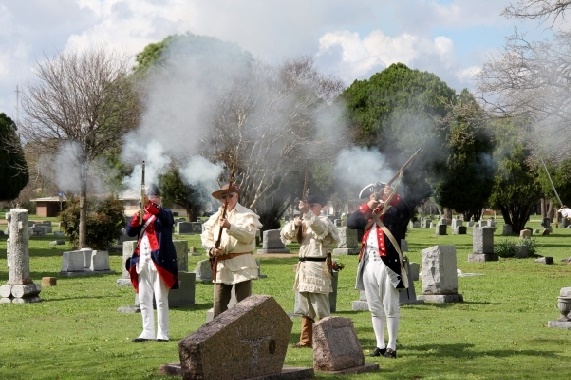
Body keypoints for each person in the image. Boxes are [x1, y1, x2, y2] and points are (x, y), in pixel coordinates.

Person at [347, 181, 411, 358]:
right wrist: (367, 206)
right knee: (375, 308)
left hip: (387, 264)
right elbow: (351, 222)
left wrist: (394, 198)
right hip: (369, 264)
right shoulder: (368, 215)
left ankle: (392, 346)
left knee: (391, 308)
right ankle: (380, 345)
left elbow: (407, 212)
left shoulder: (393, 213)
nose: (375, 198)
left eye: (377, 195)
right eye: (372, 196)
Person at [280, 194, 339, 348]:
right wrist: (295, 223)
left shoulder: (324, 222)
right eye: (309, 205)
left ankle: (327, 339)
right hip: (304, 267)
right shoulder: (305, 222)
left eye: (313, 205)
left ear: (322, 207)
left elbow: (319, 228)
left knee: (320, 305)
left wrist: (307, 213)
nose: (311, 208)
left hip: (318, 267)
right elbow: (286, 234)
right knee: (304, 304)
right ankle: (306, 339)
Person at [126, 183, 178, 342]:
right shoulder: (142, 215)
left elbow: (165, 218)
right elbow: (130, 231)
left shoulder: (165, 213)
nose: (149, 199)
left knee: (161, 300)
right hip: (143, 262)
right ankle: (147, 331)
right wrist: (138, 215)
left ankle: (163, 333)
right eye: (147, 197)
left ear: (158, 198)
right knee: (144, 299)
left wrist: (149, 206)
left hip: (159, 262)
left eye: (152, 196)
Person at [201, 183, 263, 317]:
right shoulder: (215, 217)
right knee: (219, 305)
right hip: (222, 266)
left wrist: (230, 226)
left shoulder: (247, 214)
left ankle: (243, 336)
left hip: (242, 265)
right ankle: (218, 335)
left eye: (230, 196)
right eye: (223, 197)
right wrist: (212, 249)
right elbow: (206, 237)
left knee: (244, 305)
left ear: (237, 196)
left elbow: (248, 236)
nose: (227, 199)